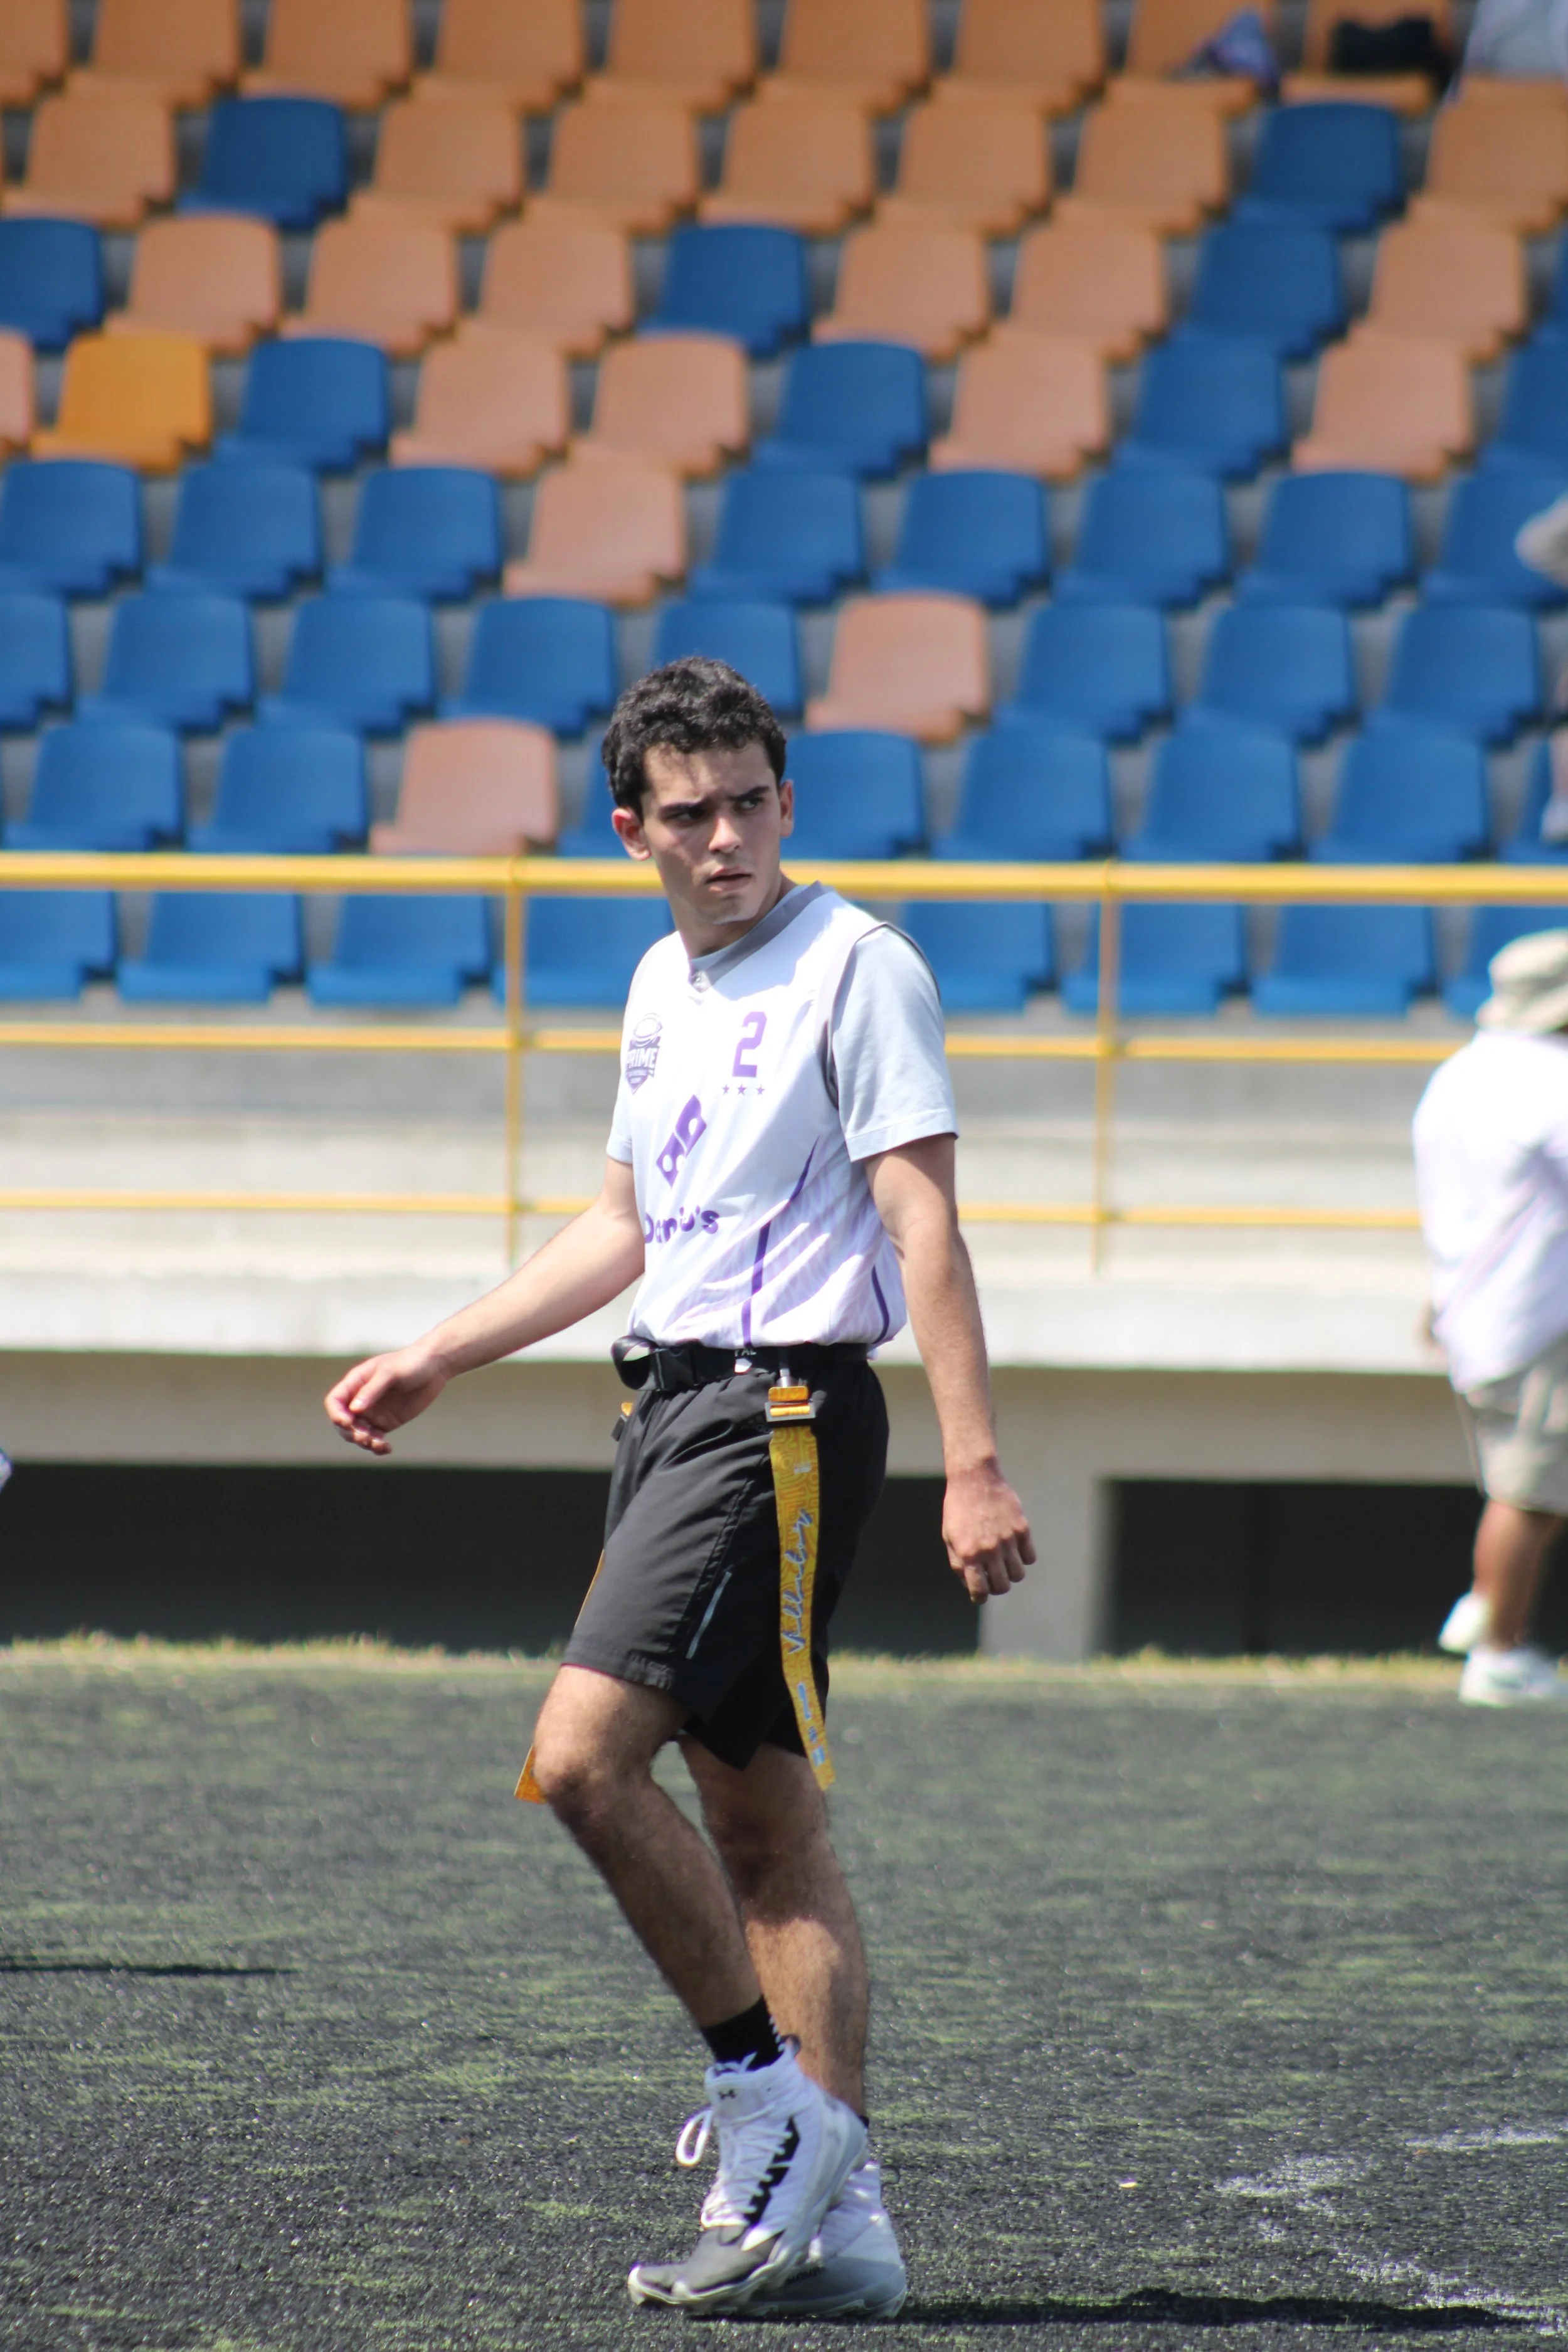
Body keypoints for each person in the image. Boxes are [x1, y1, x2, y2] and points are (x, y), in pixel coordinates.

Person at [324, 659, 1035, 2315]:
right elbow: (625, 1226)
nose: (726, 837)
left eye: (751, 803)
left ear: (786, 802)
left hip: (778, 1412)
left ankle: (766, 2104)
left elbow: (923, 1219)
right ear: (630, 826)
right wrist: (444, 1349)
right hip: (676, 1406)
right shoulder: (660, 976)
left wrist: (974, 1458)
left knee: (578, 1761)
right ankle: (840, 2228)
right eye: (691, 811)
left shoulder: (860, 967)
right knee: (762, 1820)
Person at [1414, 928, 1568, 1704]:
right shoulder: (1552, 1081)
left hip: (1474, 1307)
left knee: (1517, 1478)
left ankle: (1486, 1608)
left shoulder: (1460, 1073)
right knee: (1531, 1491)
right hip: (1540, 1312)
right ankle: (1499, 1649)